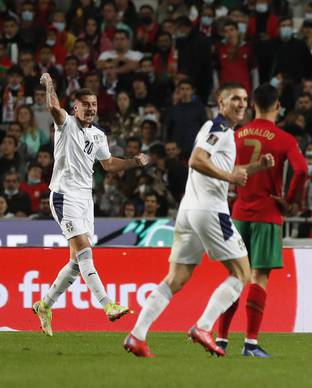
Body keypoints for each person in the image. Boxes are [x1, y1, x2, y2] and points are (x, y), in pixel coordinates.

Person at [124, 82, 274, 358]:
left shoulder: (218, 130)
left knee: (176, 278)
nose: (241, 104)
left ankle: (137, 335)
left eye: (244, 99)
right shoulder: (218, 128)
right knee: (242, 273)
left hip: (189, 210)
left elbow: (218, 168)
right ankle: (204, 327)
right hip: (210, 211)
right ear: (221, 102)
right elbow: (196, 160)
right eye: (234, 99)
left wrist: (256, 168)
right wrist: (230, 177)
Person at [32, 73, 150, 336]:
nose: (91, 109)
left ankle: (44, 305)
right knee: (85, 251)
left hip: (86, 200)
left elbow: (108, 165)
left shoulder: (98, 135)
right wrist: (50, 84)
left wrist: (133, 162)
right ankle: (107, 305)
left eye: (94, 105)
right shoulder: (65, 124)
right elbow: (53, 107)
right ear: (75, 108)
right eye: (85, 104)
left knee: (76, 263)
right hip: (64, 195)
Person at [216, 84, 307, 357]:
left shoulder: (236, 134)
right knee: (258, 278)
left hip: (239, 213)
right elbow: (301, 170)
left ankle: (220, 340)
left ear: (252, 104)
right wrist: (289, 200)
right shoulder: (284, 138)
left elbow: (221, 169)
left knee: (235, 276)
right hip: (268, 214)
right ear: (277, 106)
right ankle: (250, 343)